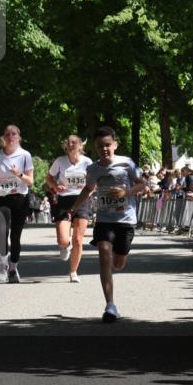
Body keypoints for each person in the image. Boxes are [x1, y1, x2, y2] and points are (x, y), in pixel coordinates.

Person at [69, 126, 146, 323]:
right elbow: (88, 189)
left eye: (107, 145)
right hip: (104, 219)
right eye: (99, 146)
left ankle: (114, 263)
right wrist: (73, 208)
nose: (104, 149)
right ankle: (110, 305)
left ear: (115, 145)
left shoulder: (127, 163)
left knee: (118, 263)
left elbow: (142, 184)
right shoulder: (93, 169)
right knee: (103, 251)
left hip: (126, 220)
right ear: (95, 148)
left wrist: (126, 193)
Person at [0, 125, 35, 283]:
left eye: (13, 134)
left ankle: (13, 267)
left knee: (15, 236)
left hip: (20, 198)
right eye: (7, 134)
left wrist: (19, 174)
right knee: (2, 232)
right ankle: (3, 265)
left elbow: (30, 181)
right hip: (2, 197)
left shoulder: (25, 155)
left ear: (18, 137)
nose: (10, 136)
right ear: (4, 137)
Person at [46, 135, 94, 283]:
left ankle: (73, 272)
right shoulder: (60, 161)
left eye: (74, 143)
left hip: (82, 200)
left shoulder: (87, 162)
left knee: (78, 240)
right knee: (63, 239)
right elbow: (49, 178)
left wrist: (88, 190)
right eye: (68, 143)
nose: (71, 145)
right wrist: (56, 186)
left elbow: (94, 183)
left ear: (80, 146)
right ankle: (64, 246)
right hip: (64, 200)